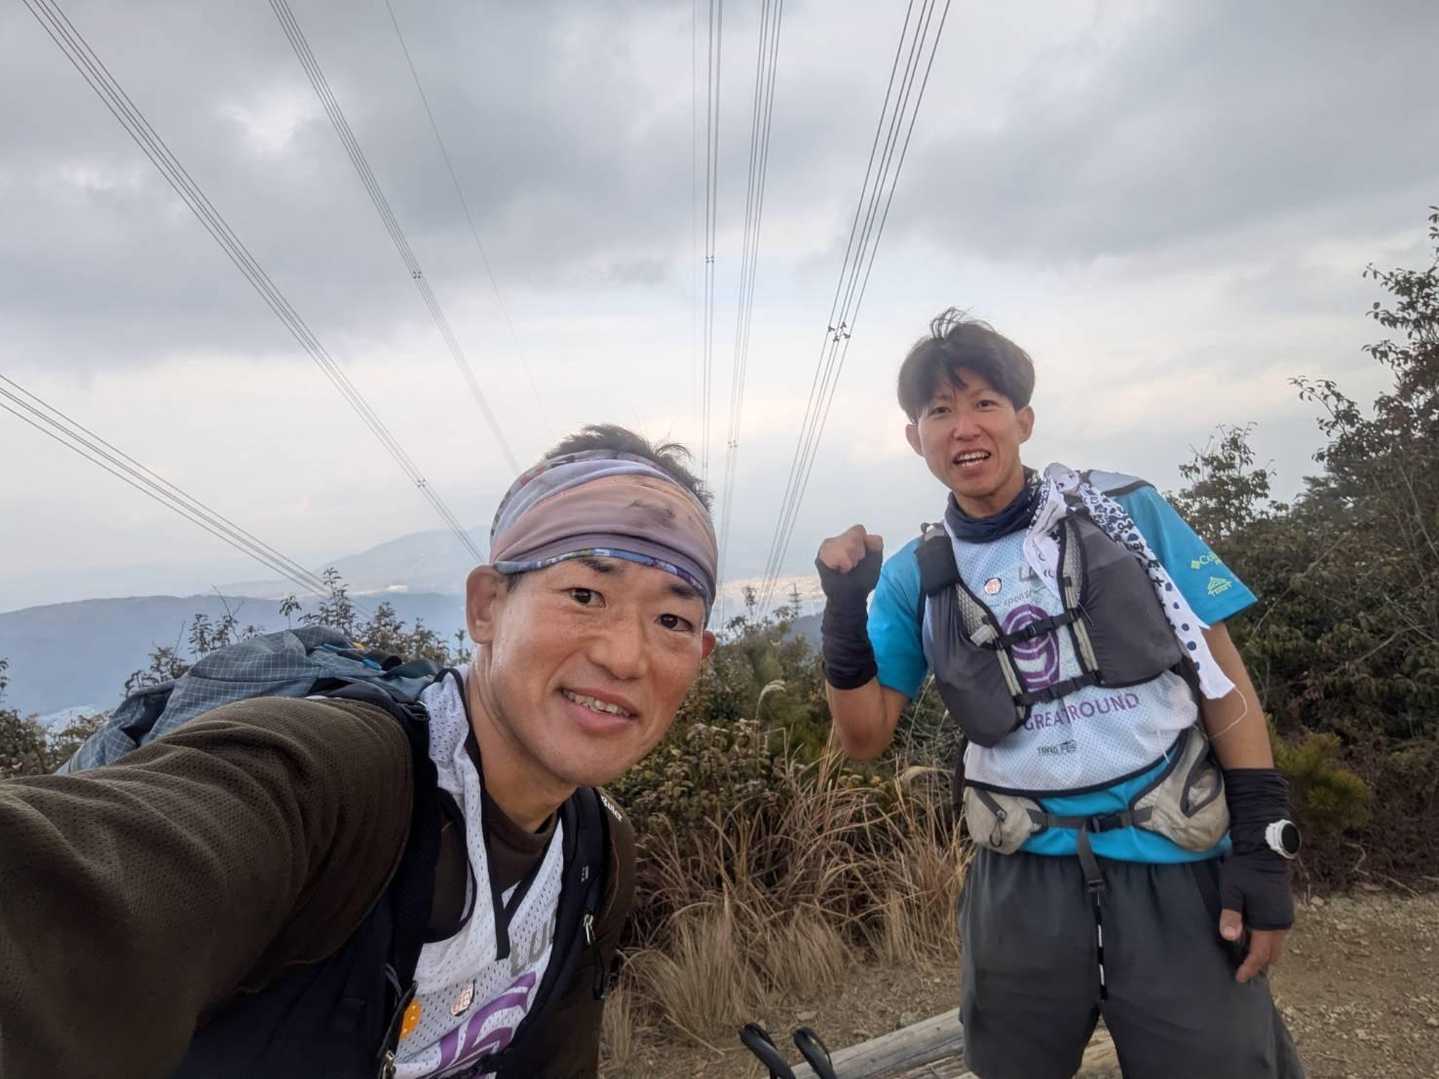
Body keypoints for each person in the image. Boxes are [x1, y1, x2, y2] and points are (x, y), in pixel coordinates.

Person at [0, 424, 718, 1079]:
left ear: (701, 654)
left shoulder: (596, 850)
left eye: (671, 618)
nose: (626, 656)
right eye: (585, 594)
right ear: (487, 607)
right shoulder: (335, 779)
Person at [815, 311, 1305, 1079]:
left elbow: (1222, 676)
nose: (963, 427)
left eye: (983, 402)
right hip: (1020, 875)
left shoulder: (1123, 509)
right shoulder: (916, 573)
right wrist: (843, 614)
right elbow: (863, 735)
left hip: (1174, 852)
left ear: (1023, 418)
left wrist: (1263, 844)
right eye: (938, 410)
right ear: (914, 437)